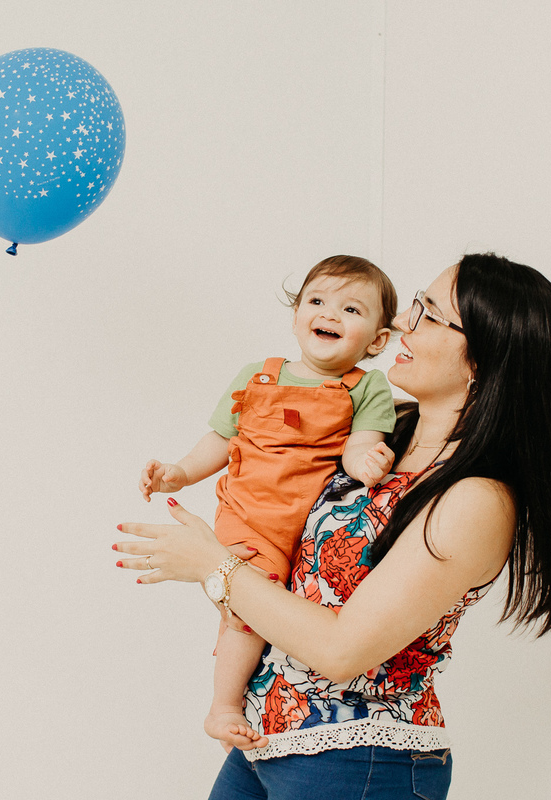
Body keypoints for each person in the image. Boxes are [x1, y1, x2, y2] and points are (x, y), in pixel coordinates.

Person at [116, 253, 551, 800]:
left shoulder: (474, 499)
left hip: (361, 758)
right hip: (265, 739)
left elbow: (342, 650)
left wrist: (216, 565)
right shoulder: (381, 431)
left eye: (428, 313)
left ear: (483, 360)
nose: (402, 322)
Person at [137, 255, 400, 751]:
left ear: (378, 340)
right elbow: (220, 438)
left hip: (305, 525)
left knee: (281, 615)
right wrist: (180, 473)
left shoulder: (368, 387)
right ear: (297, 313)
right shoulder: (257, 375)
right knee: (249, 604)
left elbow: (360, 444)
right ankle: (224, 706)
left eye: (351, 309)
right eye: (317, 301)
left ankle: (254, 698)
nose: (330, 314)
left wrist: (368, 460)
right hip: (251, 513)